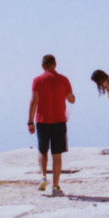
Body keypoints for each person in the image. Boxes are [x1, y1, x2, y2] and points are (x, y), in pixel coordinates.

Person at [28, 54, 75, 196]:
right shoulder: (64, 79)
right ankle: (55, 187)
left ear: (43, 66)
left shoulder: (37, 80)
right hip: (59, 121)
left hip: (42, 120)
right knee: (57, 155)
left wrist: (30, 121)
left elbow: (33, 101)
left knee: (42, 151)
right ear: (55, 64)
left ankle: (43, 176)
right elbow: (71, 100)